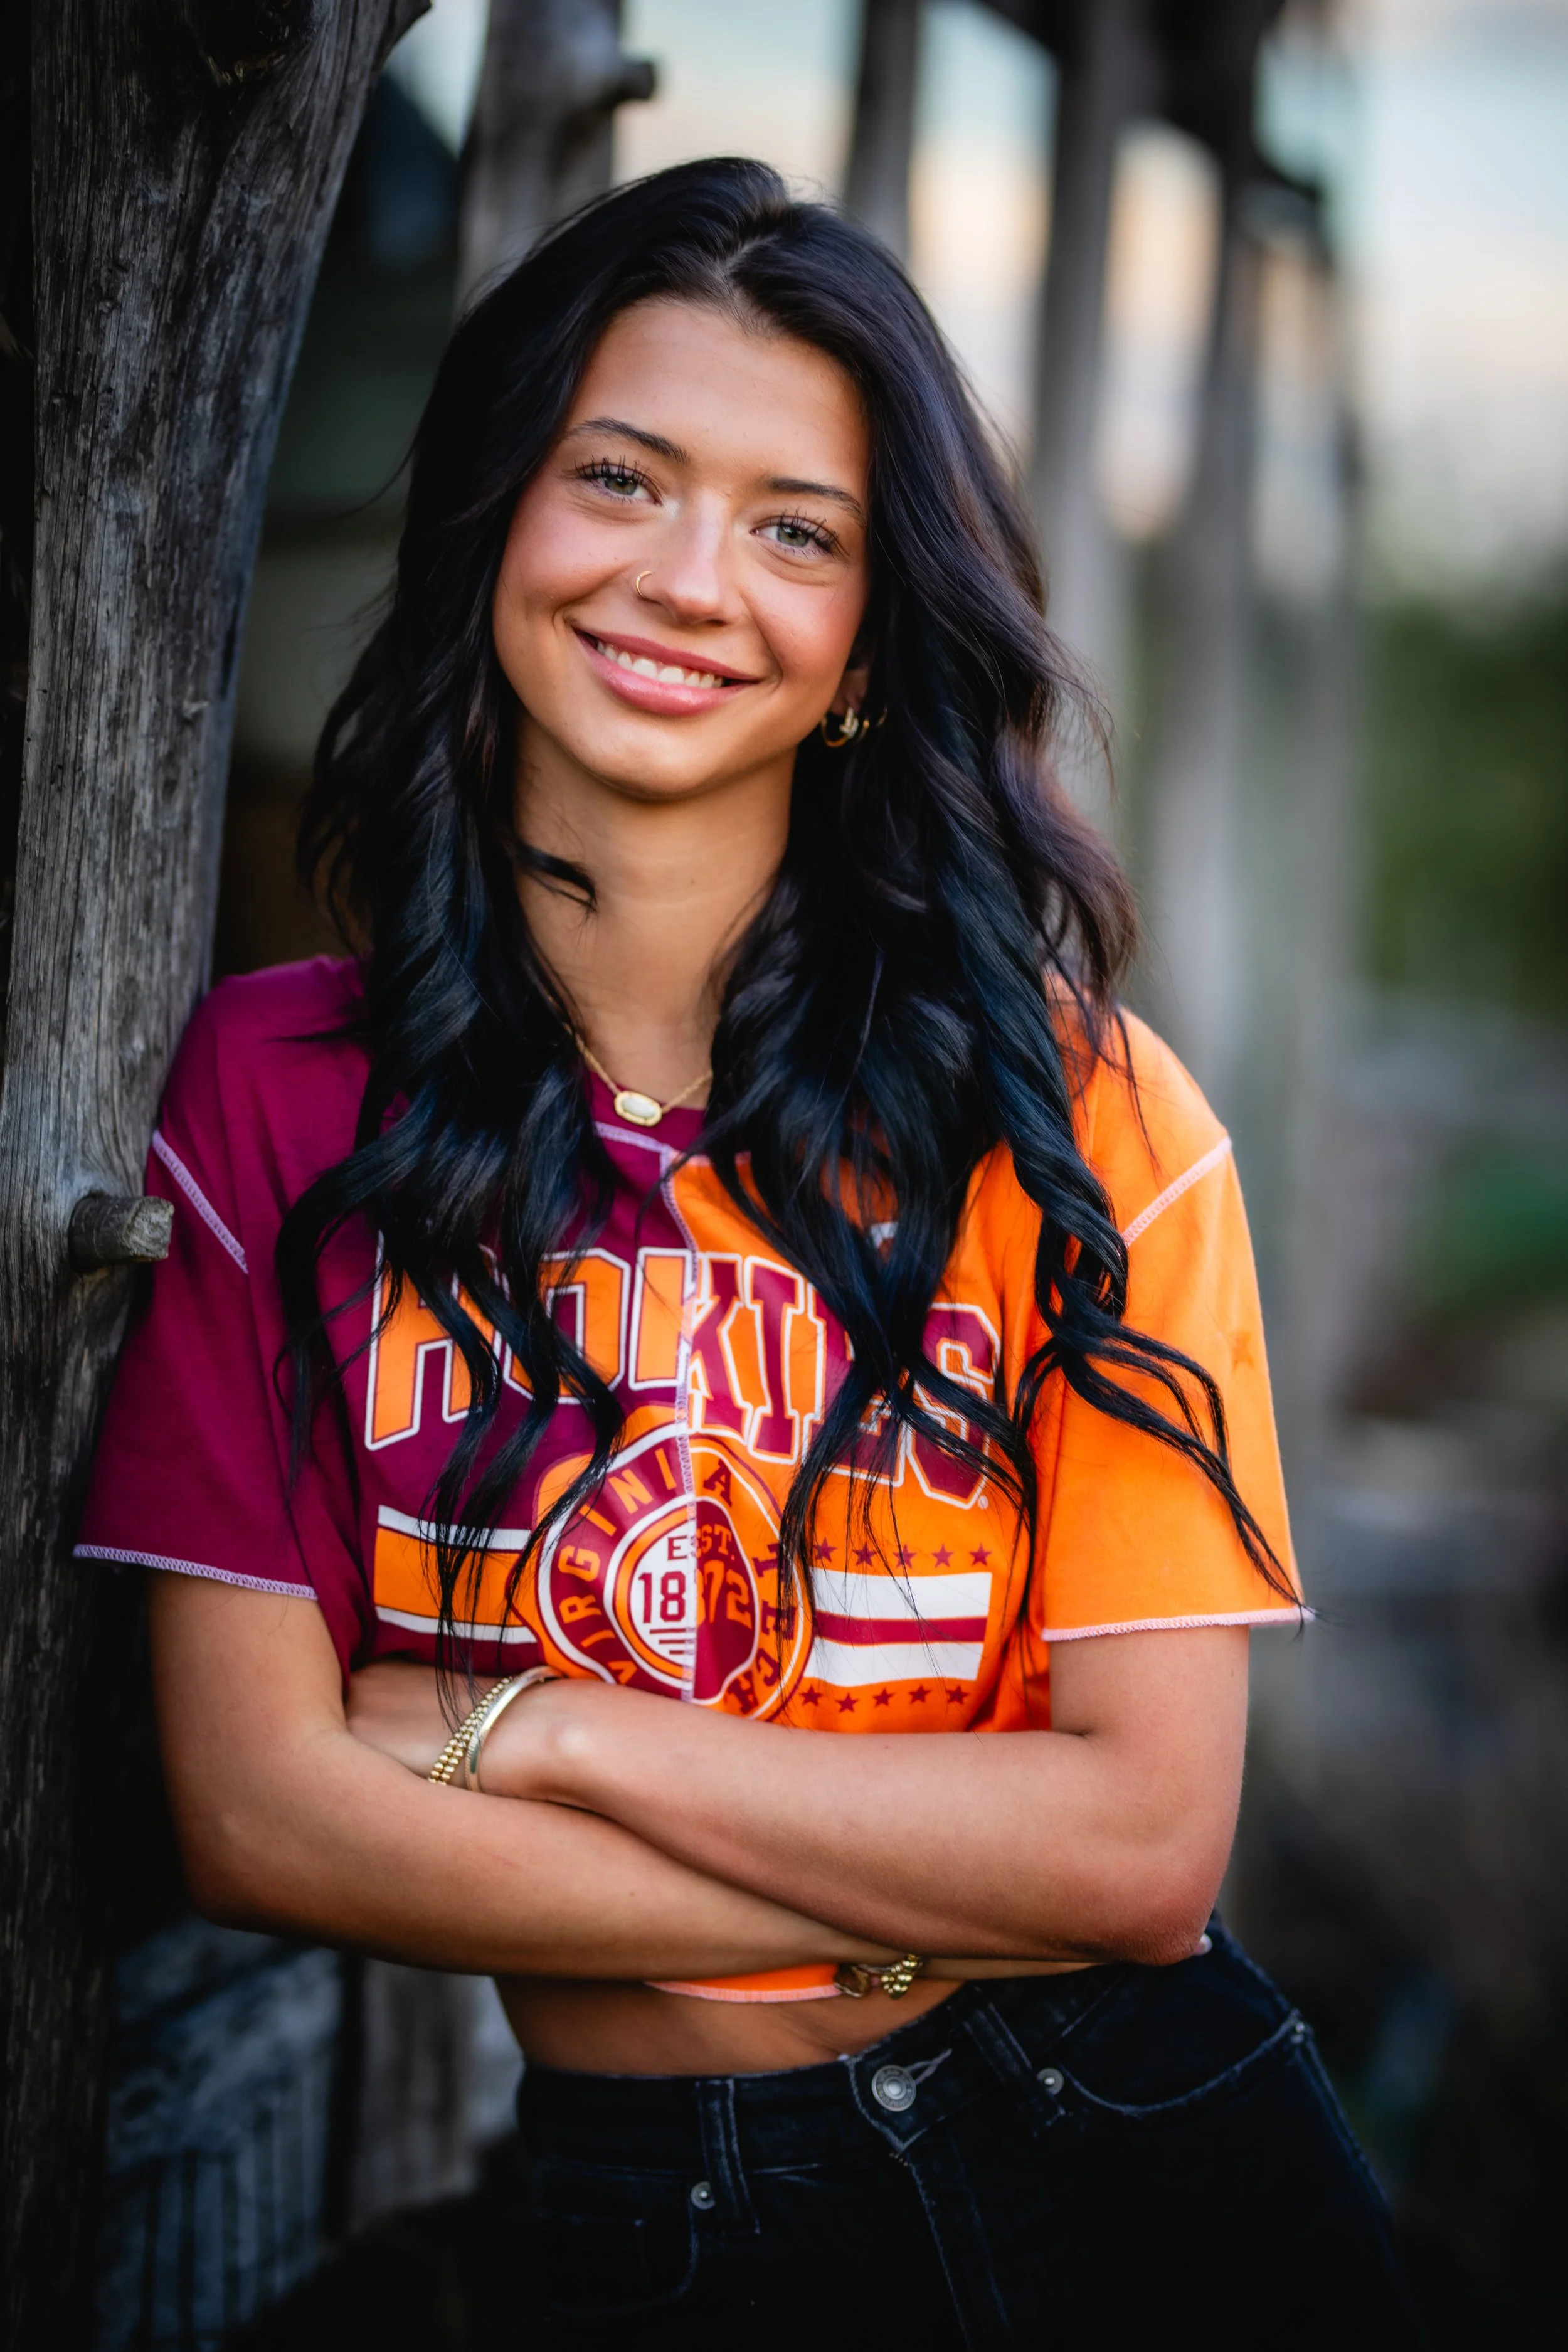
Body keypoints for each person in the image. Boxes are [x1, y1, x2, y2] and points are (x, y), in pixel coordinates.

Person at [79, 159, 1421, 2348]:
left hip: (1144, 2173)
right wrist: (927, 1875)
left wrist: (543, 1725)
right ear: (494, 515)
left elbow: (1138, 1859)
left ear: (873, 638)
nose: (691, 580)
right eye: (621, 476)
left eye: (796, 526)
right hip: (664, 2215)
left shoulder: (1078, 1124)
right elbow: (256, 1816)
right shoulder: (276, 1097)